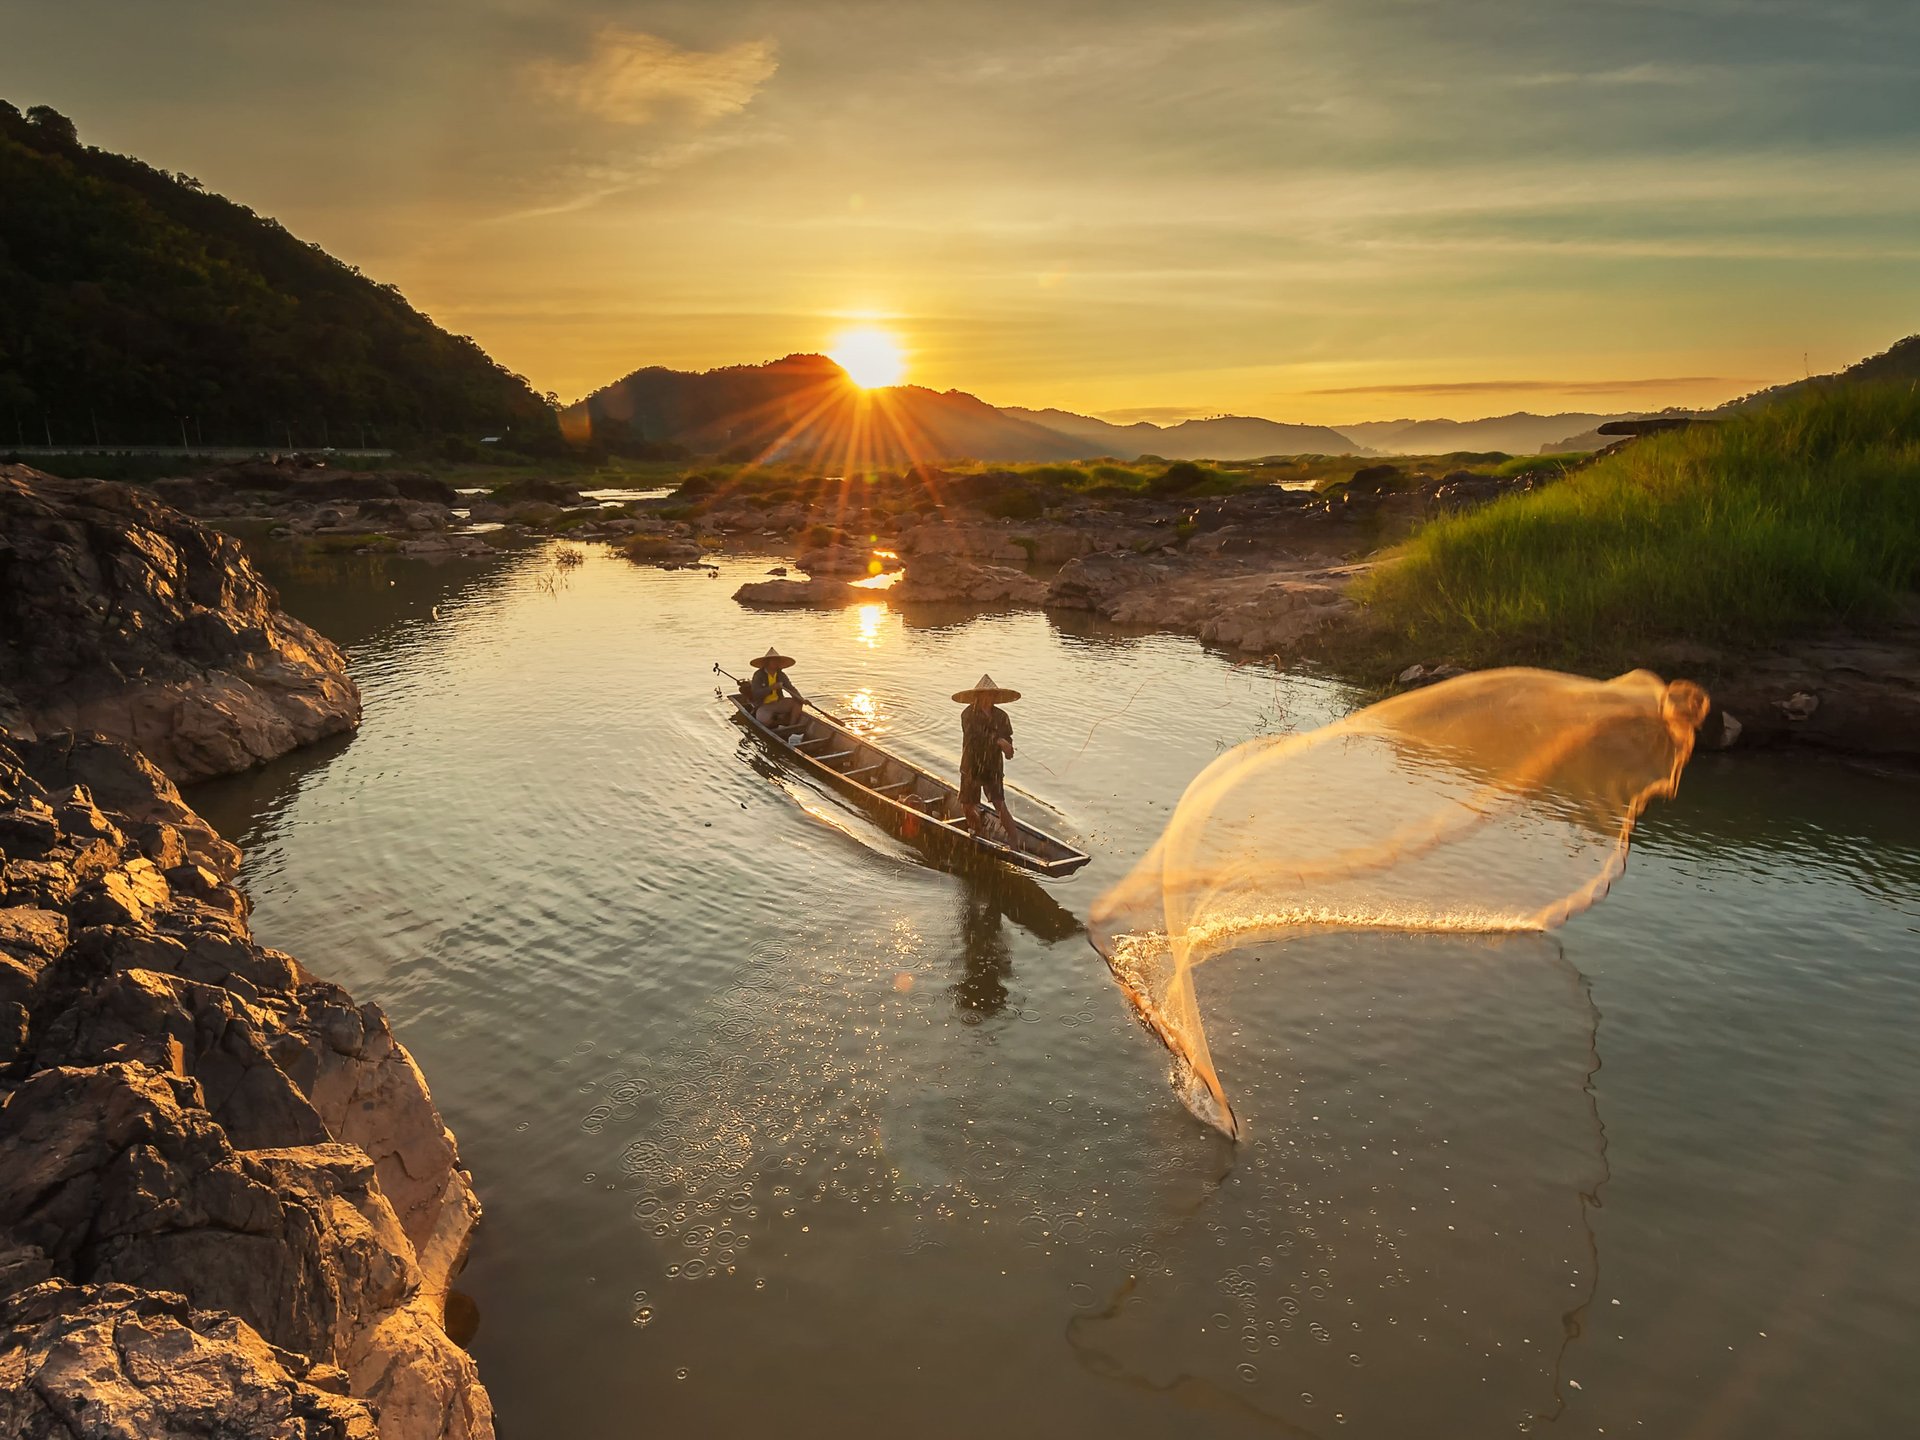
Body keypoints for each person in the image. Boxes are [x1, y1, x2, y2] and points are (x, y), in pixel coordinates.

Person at [953, 673, 1020, 847]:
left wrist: (1008, 749)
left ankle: (1015, 842)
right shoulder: (967, 714)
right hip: (972, 765)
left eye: (991, 695)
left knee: (999, 804)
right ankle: (979, 830)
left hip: (992, 766)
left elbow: (1008, 738)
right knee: (968, 805)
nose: (988, 698)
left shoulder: (1002, 716)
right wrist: (998, 741)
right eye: (985, 694)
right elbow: (975, 735)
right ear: (978, 696)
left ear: (995, 697)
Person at [747, 646, 806, 726]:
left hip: (779, 702)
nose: (776, 663)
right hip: (764, 705)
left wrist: (801, 699)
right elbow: (756, 693)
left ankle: (791, 726)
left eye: (777, 661)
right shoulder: (758, 675)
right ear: (767, 662)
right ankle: (777, 722)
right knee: (764, 720)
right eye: (773, 661)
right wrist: (771, 688)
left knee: (797, 703)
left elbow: (791, 688)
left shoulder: (781, 675)